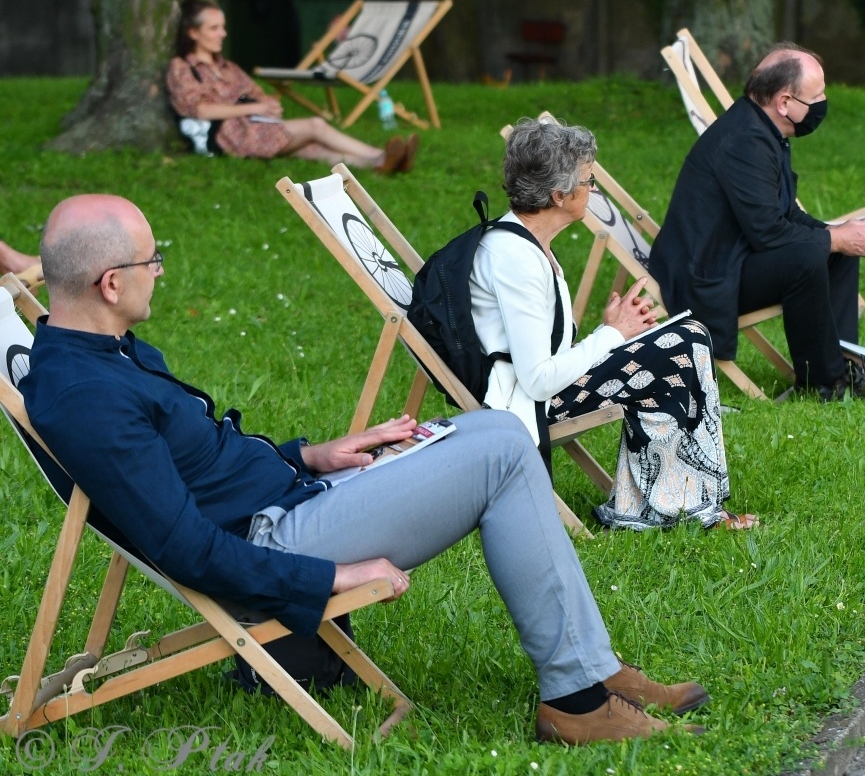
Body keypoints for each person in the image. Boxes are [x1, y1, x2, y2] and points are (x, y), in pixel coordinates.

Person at [19, 193, 707, 744]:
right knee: (500, 445)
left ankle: (591, 668)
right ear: (111, 282)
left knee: (479, 432)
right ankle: (578, 697)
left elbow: (203, 460)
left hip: (294, 497)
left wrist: (311, 454)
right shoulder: (87, 397)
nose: (159, 270)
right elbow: (188, 549)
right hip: (273, 540)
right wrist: (334, 577)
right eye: (151, 260)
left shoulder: (98, 351)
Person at [471, 118, 755, 530]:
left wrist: (609, 334)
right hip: (523, 407)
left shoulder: (527, 244)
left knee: (686, 338)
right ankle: (674, 508)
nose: (593, 190)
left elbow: (545, 355)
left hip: (539, 390)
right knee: (681, 348)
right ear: (558, 194)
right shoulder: (515, 259)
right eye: (588, 181)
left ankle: (668, 502)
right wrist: (611, 335)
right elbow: (536, 381)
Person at [649, 43, 865, 399]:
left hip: (731, 258)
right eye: (817, 96)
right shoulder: (745, 142)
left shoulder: (761, 129)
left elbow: (784, 213)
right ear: (784, 103)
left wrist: (842, 235)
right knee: (808, 257)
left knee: (834, 248)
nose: (822, 103)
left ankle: (844, 368)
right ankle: (823, 385)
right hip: (706, 277)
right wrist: (835, 239)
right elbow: (768, 232)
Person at [165, 0, 415, 173]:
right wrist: (254, 108)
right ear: (193, 33)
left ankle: (379, 165)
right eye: (214, 28)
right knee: (315, 126)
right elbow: (200, 109)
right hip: (228, 136)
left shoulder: (226, 67)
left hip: (256, 126)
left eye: (223, 27)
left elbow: (256, 93)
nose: (223, 34)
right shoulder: (183, 68)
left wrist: (268, 105)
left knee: (313, 148)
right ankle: (380, 154)